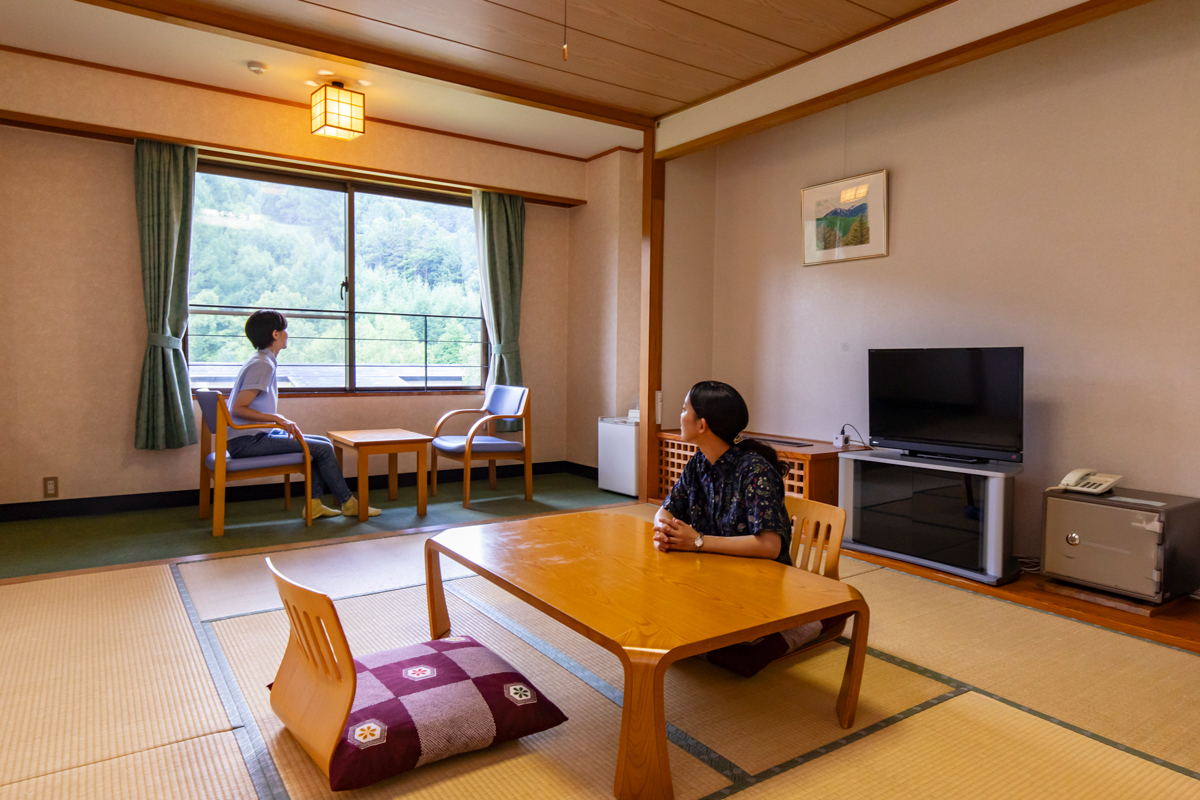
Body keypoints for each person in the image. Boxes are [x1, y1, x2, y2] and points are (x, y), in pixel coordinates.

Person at [225, 309, 379, 520]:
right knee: (323, 448)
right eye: (284, 329)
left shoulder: (261, 360)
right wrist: (278, 418)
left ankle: (314, 504)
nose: (287, 334)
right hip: (247, 442)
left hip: (250, 437)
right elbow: (238, 408)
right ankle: (348, 503)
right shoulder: (262, 364)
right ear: (275, 334)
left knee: (319, 443)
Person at [653, 381, 792, 565]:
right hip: (716, 569)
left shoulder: (755, 471)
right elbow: (665, 512)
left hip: (760, 578)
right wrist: (665, 531)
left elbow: (769, 546)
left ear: (702, 425)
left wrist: (699, 541)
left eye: (684, 409)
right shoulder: (698, 463)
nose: (680, 416)